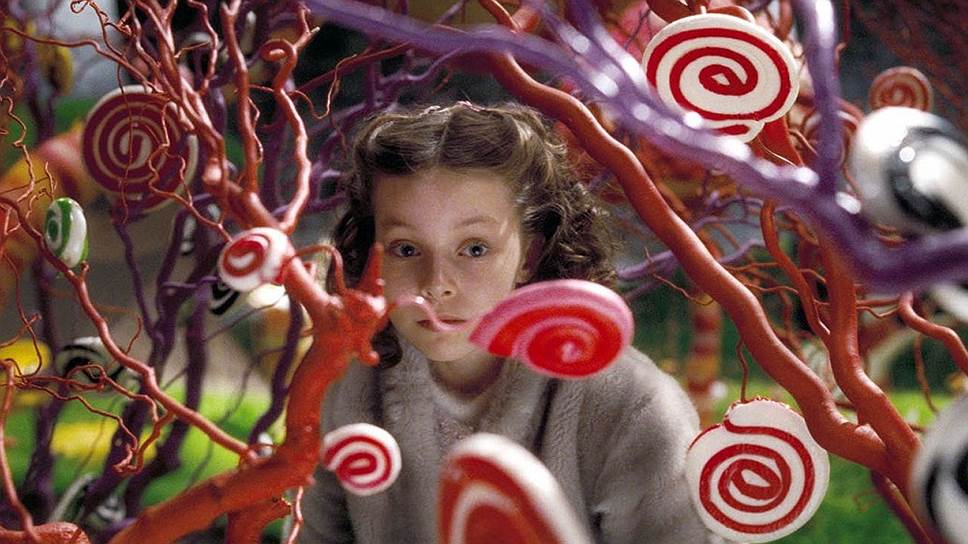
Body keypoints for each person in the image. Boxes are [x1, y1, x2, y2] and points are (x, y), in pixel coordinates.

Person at [299, 102, 714, 543]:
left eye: (474, 249)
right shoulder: (348, 396)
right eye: (406, 249)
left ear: (529, 255)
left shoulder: (632, 406)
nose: (436, 284)